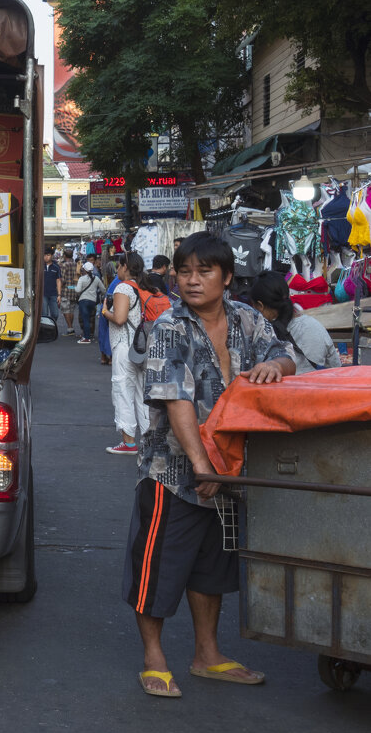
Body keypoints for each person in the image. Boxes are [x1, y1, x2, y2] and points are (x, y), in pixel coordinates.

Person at [122, 232, 296, 698]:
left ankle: (207, 655)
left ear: (226, 277)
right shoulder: (168, 326)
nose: (192, 280)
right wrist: (202, 466)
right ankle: (154, 658)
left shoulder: (246, 318)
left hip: (228, 469)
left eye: (204, 271)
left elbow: (285, 355)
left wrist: (273, 369)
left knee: (211, 569)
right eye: (184, 271)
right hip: (173, 473)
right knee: (157, 568)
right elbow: (177, 400)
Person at [100, 253, 150, 454]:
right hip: (142, 347)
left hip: (125, 346)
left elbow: (119, 319)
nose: (117, 270)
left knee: (122, 390)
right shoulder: (144, 286)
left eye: (119, 266)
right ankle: (149, 441)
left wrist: (105, 312)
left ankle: (129, 442)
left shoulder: (123, 287)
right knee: (141, 394)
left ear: (125, 267)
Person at [249, 271, 341, 374]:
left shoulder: (265, 334)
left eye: (253, 305)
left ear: (260, 306)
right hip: (319, 387)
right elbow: (336, 367)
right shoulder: (314, 325)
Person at [75, 261, 104, 344]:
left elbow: (78, 290)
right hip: (93, 301)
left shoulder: (82, 278)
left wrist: (74, 288)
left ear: (84, 269)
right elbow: (103, 289)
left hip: (83, 301)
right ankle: (90, 334)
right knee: (91, 319)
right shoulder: (96, 278)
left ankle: (86, 338)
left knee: (85, 319)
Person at [59, 248, 79, 335]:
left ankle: (70, 328)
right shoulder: (76, 264)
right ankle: (71, 328)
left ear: (64, 256)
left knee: (66, 310)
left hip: (66, 290)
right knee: (71, 310)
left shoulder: (64, 265)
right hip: (74, 289)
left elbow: (62, 279)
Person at [42, 248, 62, 323]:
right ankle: (46, 330)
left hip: (53, 294)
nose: (46, 257)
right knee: (44, 314)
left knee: (55, 314)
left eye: (48, 255)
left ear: (52, 256)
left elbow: (58, 280)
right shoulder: (40, 266)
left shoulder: (56, 267)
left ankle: (52, 327)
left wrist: (59, 295)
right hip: (43, 294)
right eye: (44, 255)